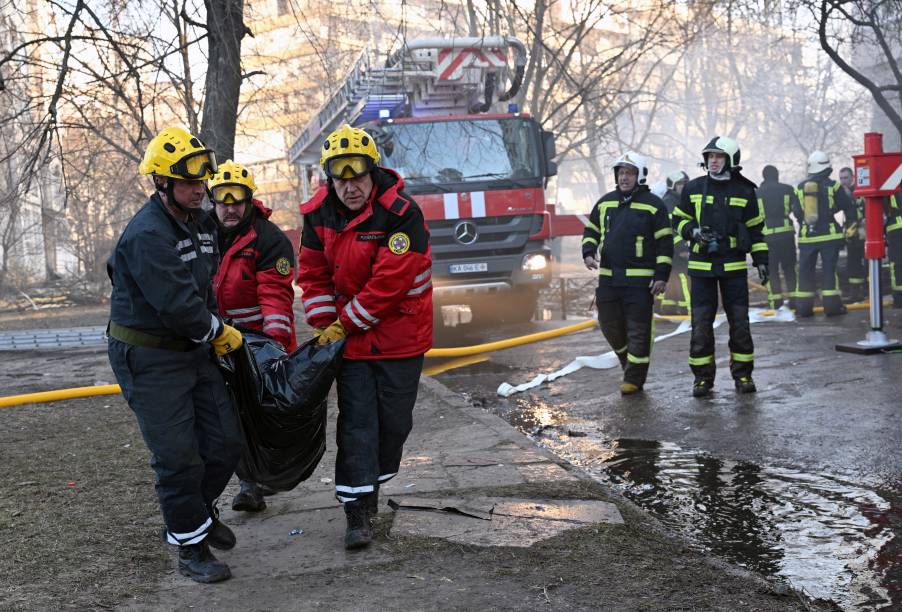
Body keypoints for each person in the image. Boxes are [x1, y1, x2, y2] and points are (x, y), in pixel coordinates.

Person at [106, 126, 244, 583]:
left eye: (202, 180)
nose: (199, 189)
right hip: (149, 357)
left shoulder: (200, 221)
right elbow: (178, 305)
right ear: (161, 183)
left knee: (226, 441)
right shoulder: (146, 235)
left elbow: (204, 287)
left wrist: (214, 328)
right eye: (188, 183)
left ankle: (197, 514)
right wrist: (218, 333)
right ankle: (190, 548)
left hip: (192, 349)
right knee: (177, 457)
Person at [297, 124, 433, 550]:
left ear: (373, 173)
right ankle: (357, 511)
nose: (349, 186)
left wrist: (344, 322)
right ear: (329, 178)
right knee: (356, 424)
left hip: (399, 338)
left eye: (357, 176)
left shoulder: (402, 214)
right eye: (340, 178)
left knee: (393, 423)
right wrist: (324, 323)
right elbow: (313, 273)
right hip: (351, 343)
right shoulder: (317, 214)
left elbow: (390, 283)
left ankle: (372, 485)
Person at [208, 159, 298, 513]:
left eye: (237, 199)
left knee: (255, 416)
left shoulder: (268, 239)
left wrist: (272, 348)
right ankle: (249, 480)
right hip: (213, 341)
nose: (230, 208)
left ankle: (253, 483)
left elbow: (275, 297)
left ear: (248, 200)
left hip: (256, 345)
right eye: (222, 200)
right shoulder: (201, 234)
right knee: (224, 417)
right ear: (212, 201)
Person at [671, 136, 768, 397]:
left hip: (734, 267)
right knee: (701, 324)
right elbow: (678, 220)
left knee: (740, 323)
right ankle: (702, 379)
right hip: (701, 268)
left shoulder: (745, 191)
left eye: (719, 156)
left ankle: (744, 375)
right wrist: (692, 232)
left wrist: (761, 260)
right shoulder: (693, 188)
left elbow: (756, 229)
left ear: (731, 160)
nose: (713, 161)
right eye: (710, 156)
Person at [581, 152, 672, 395]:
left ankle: (634, 379)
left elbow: (665, 242)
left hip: (641, 282)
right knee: (609, 325)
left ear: (639, 176)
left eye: (629, 173)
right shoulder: (606, 202)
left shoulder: (654, 205)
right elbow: (592, 229)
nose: (624, 177)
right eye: (621, 173)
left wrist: (662, 275)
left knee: (638, 330)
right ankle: (627, 361)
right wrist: (588, 251)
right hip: (610, 280)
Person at [792, 151, 855, 317]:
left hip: (807, 236)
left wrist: (805, 224)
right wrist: (849, 228)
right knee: (829, 271)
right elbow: (848, 207)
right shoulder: (834, 186)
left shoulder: (799, 188)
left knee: (805, 272)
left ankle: (803, 309)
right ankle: (832, 308)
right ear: (827, 167)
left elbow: (797, 212)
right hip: (830, 236)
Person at [757, 165, 799, 309]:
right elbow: (798, 210)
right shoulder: (788, 189)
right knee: (789, 268)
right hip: (786, 235)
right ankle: (795, 300)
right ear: (777, 175)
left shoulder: (757, 193)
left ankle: (775, 301)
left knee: (771, 270)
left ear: (763, 176)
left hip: (767, 237)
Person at [658, 170, 691, 315]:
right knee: (685, 277)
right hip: (674, 249)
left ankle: (668, 307)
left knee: (672, 278)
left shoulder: (676, 201)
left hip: (670, 249)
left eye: (685, 184)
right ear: (672, 186)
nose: (683, 187)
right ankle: (687, 308)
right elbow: (671, 229)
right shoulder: (670, 202)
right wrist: (682, 247)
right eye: (680, 184)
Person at [838, 166, 867, 303]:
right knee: (852, 263)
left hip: (864, 233)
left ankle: (867, 291)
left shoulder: (859, 190)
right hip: (851, 234)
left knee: (866, 262)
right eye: (841, 178)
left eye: (846, 178)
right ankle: (855, 293)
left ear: (852, 177)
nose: (843, 181)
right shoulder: (842, 193)